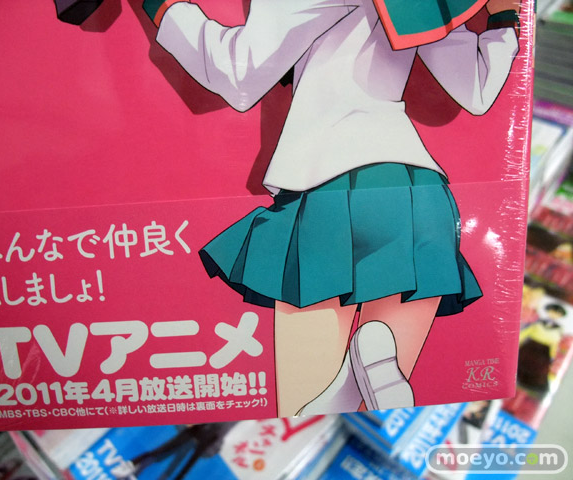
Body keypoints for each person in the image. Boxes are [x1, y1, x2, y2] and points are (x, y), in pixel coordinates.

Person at [141, 0, 521, 417]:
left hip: (329, 187)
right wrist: (503, 20)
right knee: (366, 407)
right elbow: (477, 90)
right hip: (419, 194)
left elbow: (237, 72)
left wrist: (164, 8)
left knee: (302, 410)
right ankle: (353, 378)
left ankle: (341, 387)